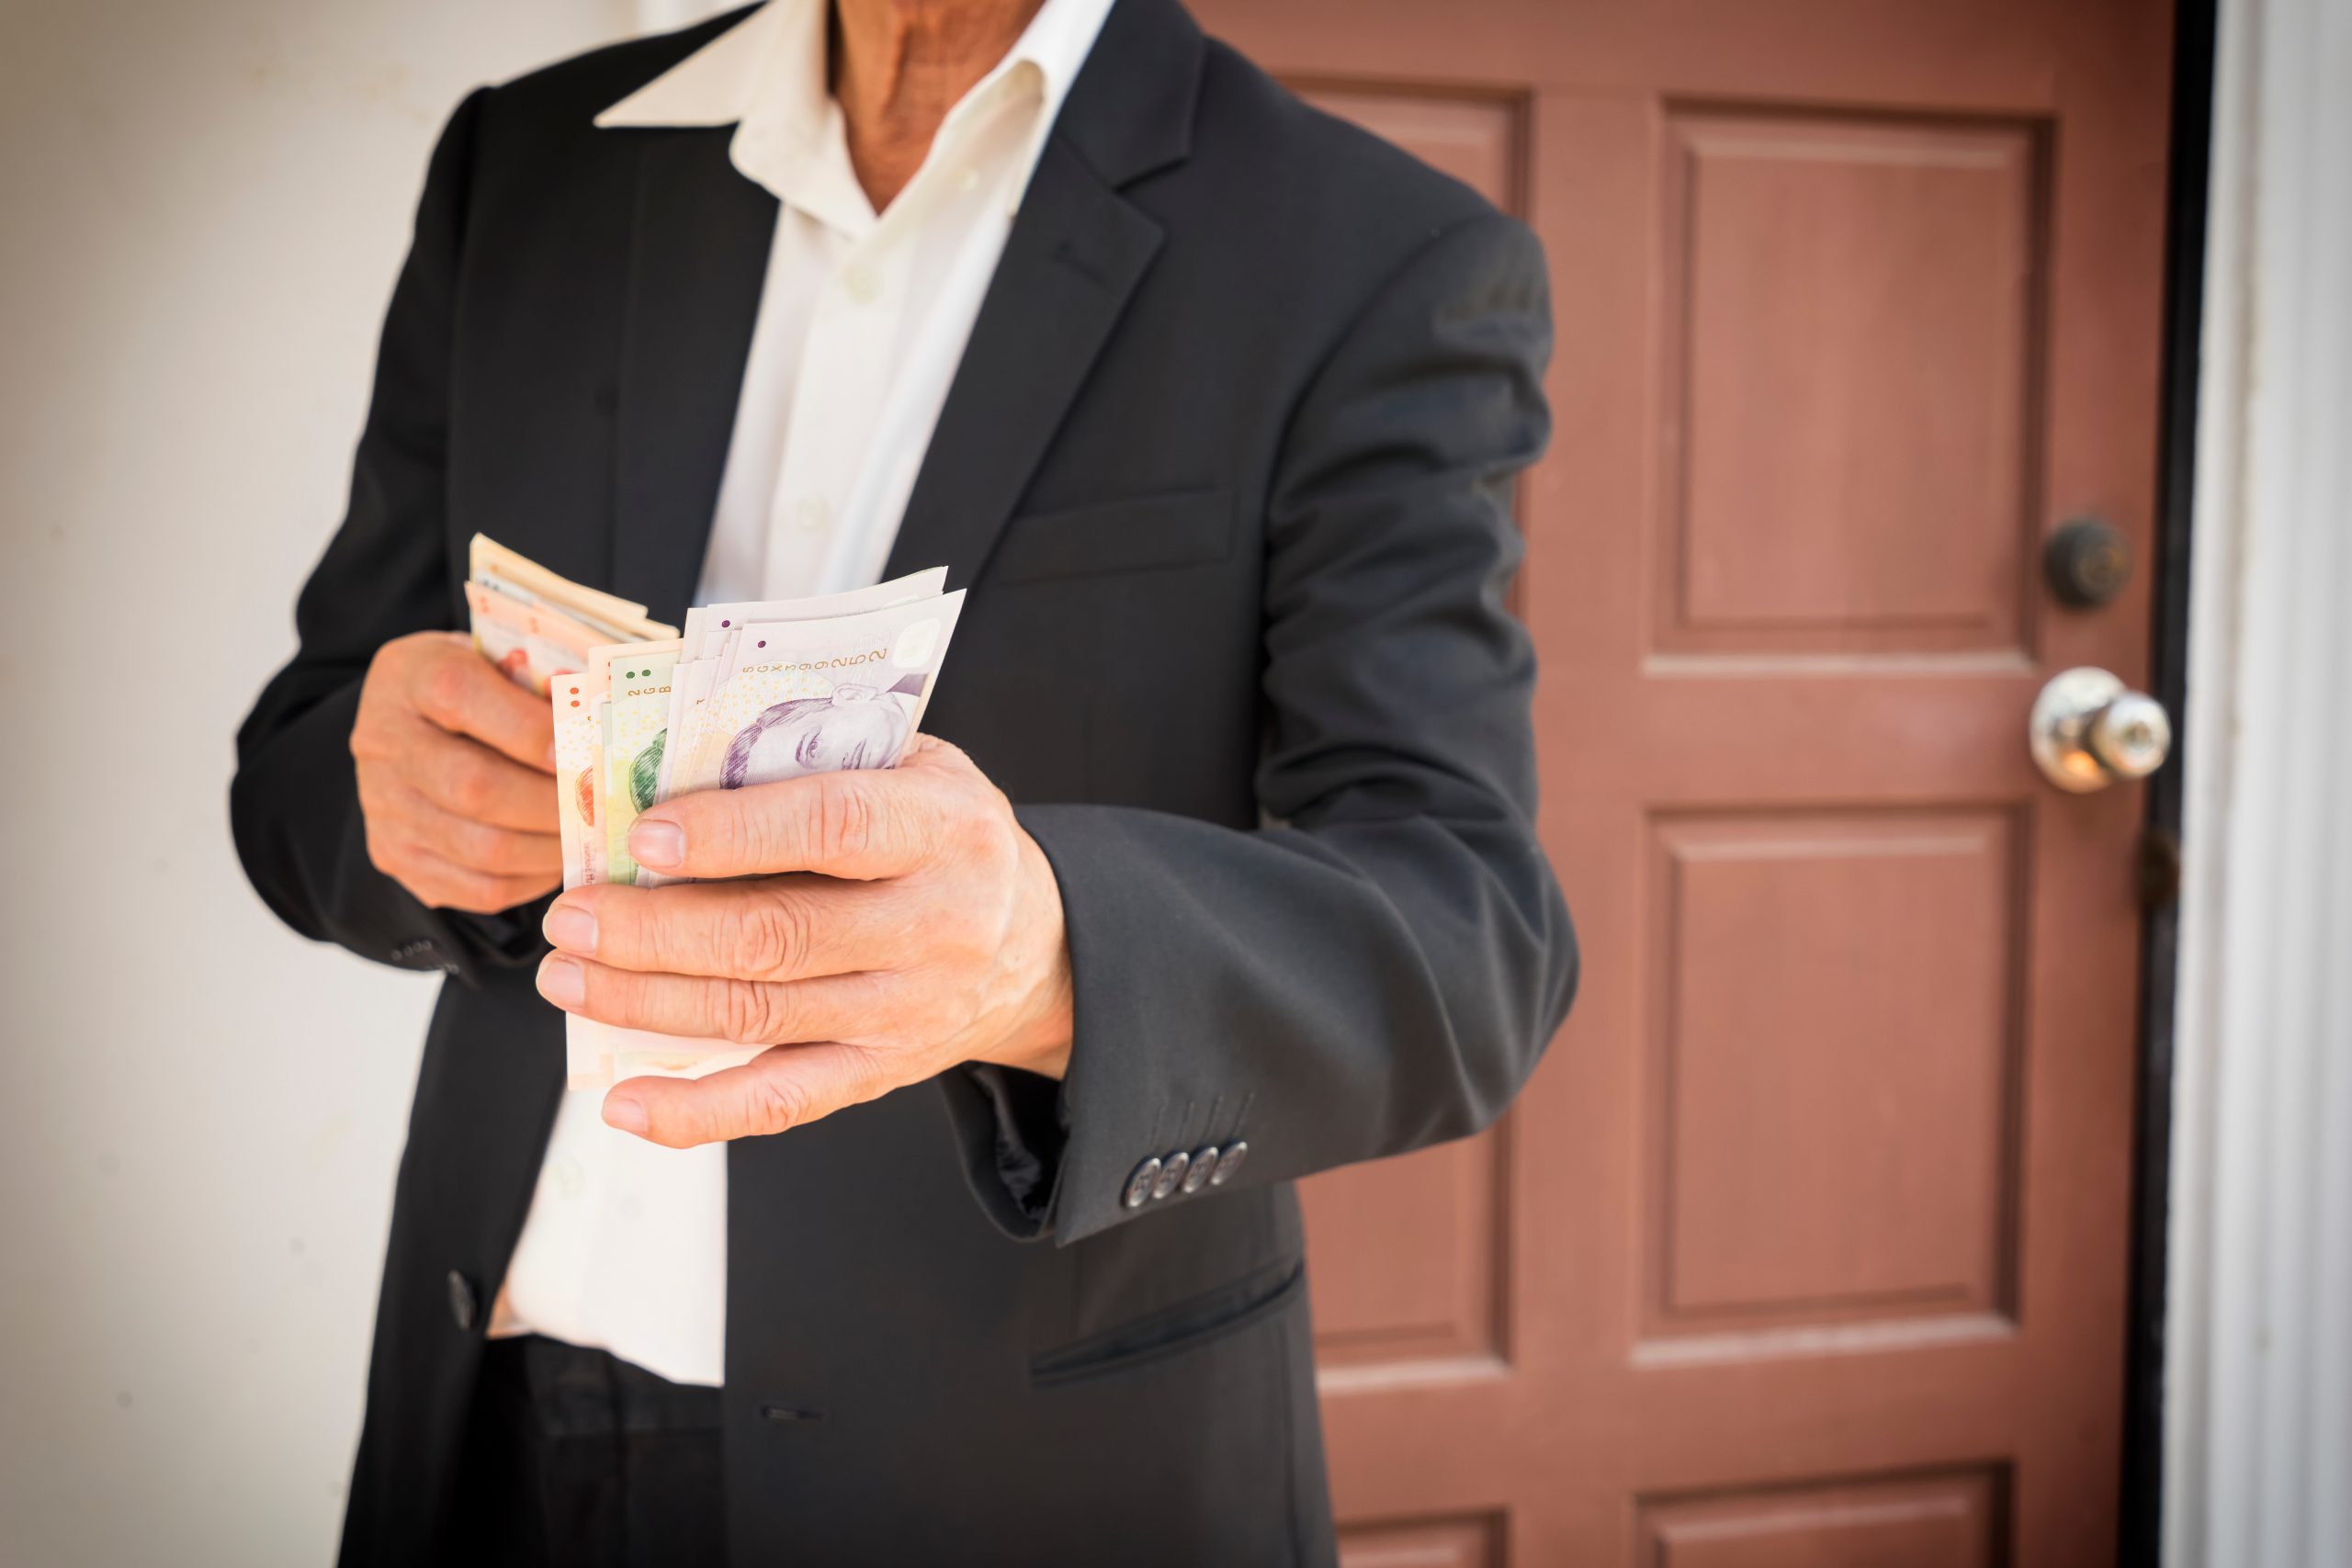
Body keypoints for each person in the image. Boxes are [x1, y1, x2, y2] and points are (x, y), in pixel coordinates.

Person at [231, 0, 1577, 1560]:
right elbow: (301, 774)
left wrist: (1045, 953)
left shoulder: (1370, 257)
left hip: (1029, 1475)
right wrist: (399, 808)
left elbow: (1472, 937)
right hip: (492, 1422)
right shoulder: (525, 166)